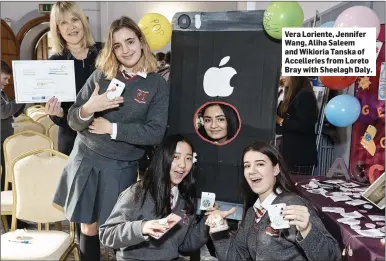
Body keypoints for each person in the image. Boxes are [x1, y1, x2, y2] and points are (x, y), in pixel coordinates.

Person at [53, 16, 170, 261]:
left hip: (121, 166)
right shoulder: (101, 76)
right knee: (88, 227)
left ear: (141, 41)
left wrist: (112, 128)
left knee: (118, 232)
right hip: (85, 159)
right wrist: (89, 108)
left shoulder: (157, 84)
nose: (125, 50)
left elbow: (155, 132)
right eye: (117, 45)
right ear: (112, 49)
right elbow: (74, 119)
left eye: (130, 41)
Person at [205, 141, 341, 261]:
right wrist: (219, 229)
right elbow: (234, 256)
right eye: (247, 166)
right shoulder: (253, 212)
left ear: (275, 169)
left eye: (260, 164)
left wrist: (307, 230)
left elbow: (333, 256)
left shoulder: (291, 203)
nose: (251, 171)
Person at [99, 135, 212, 261]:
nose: (183, 165)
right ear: (163, 158)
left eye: (188, 158)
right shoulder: (137, 193)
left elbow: (185, 245)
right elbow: (107, 234)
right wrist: (142, 228)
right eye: (176, 157)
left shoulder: (185, 198)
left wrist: (207, 222)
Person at [44, 1, 102, 156]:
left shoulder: (104, 53)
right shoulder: (55, 62)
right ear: (57, 30)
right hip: (72, 143)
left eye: (75, 19)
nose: (71, 26)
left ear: (83, 22)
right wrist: (58, 113)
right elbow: (60, 113)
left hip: (105, 139)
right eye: (63, 22)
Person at [1, 60, 28, 228]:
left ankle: (13, 217)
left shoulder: (2, 93)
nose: (7, 82)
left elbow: (13, 110)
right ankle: (11, 220)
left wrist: (24, 99)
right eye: (4, 78)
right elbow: (3, 111)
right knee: (6, 180)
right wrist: (23, 96)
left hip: (4, 140)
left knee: (8, 178)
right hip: (1, 141)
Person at [275, 76, 318, 175]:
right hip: (288, 156)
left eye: (285, 73)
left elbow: (303, 125)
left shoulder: (305, 96)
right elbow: (279, 128)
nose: (281, 77)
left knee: (297, 188)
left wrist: (281, 121)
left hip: (299, 157)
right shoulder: (290, 97)